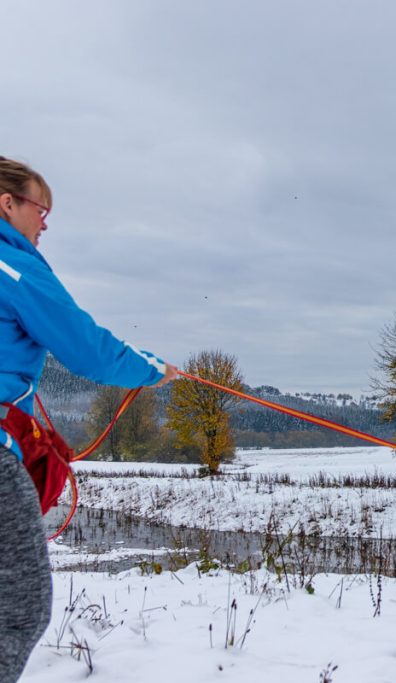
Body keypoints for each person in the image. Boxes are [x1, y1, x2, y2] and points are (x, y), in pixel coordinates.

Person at [0, 156, 178, 682]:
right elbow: (83, 345)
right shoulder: (11, 263)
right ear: (7, 203)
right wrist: (149, 368)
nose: (45, 223)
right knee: (19, 610)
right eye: (41, 208)